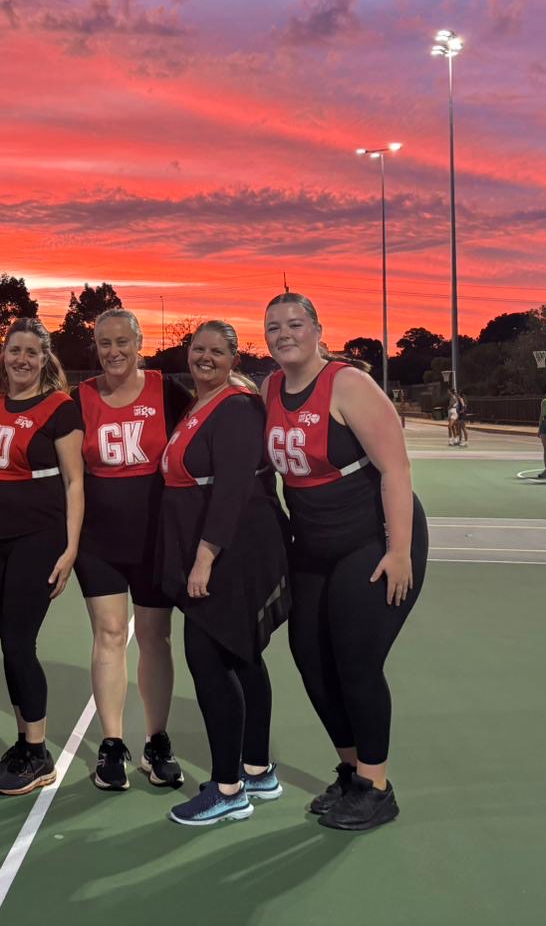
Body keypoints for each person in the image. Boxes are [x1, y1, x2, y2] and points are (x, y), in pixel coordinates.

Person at [264, 292, 427, 832]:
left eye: (294, 324)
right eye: (273, 327)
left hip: (371, 540)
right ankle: (353, 770)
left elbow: (396, 469)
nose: (284, 334)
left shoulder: (347, 384)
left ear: (317, 330)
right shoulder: (268, 389)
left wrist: (398, 551)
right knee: (310, 657)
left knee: (356, 661)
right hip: (313, 546)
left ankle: (377, 788)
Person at [158, 321, 288, 827]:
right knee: (242, 656)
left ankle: (228, 789)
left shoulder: (236, 407)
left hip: (232, 551)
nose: (205, 357)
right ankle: (257, 769)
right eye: (198, 349)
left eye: (217, 351)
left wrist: (204, 558)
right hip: (221, 547)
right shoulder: (202, 402)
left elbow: (233, 489)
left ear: (235, 358)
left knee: (209, 660)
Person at [73, 308, 189, 793]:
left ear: (139, 343)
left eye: (122, 341)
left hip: (154, 538)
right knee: (109, 633)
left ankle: (156, 740)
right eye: (104, 343)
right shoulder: (79, 397)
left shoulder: (167, 392)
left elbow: (207, 429)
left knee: (156, 637)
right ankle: (112, 744)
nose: (113, 351)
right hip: (99, 539)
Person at [0, 318, 85, 797]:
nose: (21, 359)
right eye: (14, 350)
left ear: (45, 359)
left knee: (21, 643)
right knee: (9, 643)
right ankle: (22, 744)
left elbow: (75, 482)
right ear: (4, 355)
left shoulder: (61, 408)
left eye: (31, 352)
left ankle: (39, 753)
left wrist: (71, 548)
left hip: (36, 538)